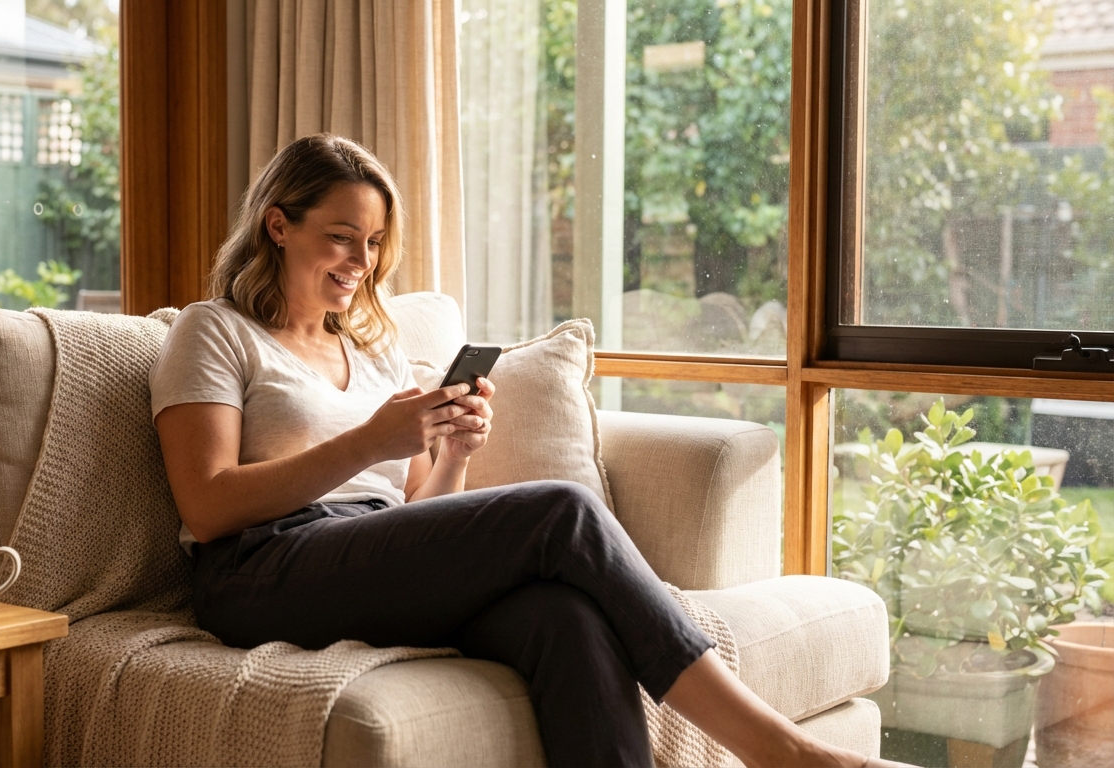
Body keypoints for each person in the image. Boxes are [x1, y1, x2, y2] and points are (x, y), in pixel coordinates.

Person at [151, 133, 905, 768]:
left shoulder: (375, 352)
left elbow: (416, 520)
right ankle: (774, 747)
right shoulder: (213, 330)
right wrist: (367, 441)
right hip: (258, 568)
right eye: (341, 236)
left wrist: (451, 455)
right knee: (561, 513)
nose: (362, 260)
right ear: (279, 226)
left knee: (562, 617)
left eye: (375, 242)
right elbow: (209, 505)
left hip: (353, 558)